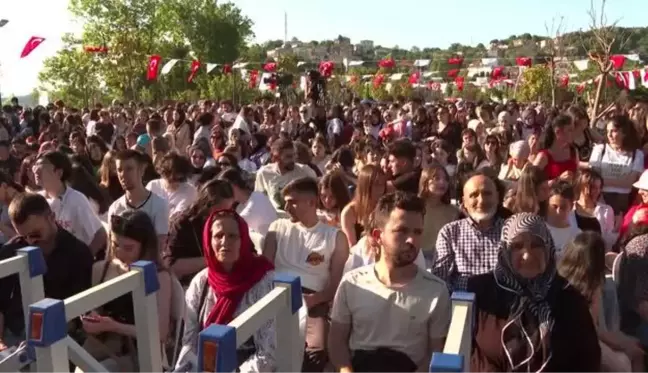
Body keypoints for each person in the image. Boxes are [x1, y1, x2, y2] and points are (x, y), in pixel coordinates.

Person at [329, 192, 450, 373]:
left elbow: (436, 352)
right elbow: (337, 342)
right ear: (378, 236)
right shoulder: (352, 284)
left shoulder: (436, 291)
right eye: (402, 231)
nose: (411, 240)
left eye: (417, 232)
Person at [468, 213, 601, 373]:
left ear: (548, 248)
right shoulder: (481, 292)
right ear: (504, 251)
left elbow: (588, 360)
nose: (527, 254)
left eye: (536, 245)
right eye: (517, 246)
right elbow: (470, 354)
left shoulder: (569, 298)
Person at [263, 177, 349, 373]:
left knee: (315, 350)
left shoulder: (335, 237)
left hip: (313, 301)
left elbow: (334, 285)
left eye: (292, 201)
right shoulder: (277, 229)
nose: (286, 207)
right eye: (285, 201)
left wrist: (311, 300)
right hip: (275, 294)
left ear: (311, 202)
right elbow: (264, 271)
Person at [177, 209, 276, 372]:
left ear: (243, 240)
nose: (224, 242)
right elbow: (190, 342)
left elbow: (269, 353)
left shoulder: (263, 281)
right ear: (209, 241)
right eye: (218, 236)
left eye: (232, 236)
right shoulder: (201, 282)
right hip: (206, 364)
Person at [80, 211, 172, 373]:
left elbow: (160, 333)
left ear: (144, 246)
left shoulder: (160, 276)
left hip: (138, 353)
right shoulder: (101, 269)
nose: (119, 252)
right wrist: (92, 319)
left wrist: (114, 326)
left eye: (128, 248)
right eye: (115, 245)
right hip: (103, 346)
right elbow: (95, 308)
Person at [0, 193, 93, 349]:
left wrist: (37, 340)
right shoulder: (10, 251)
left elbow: (78, 315)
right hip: (11, 335)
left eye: (36, 233)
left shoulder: (78, 253)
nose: (30, 241)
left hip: (57, 339)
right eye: (24, 236)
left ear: (52, 217)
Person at [433, 172, 504, 291]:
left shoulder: (512, 231)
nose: (481, 200)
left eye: (487, 193)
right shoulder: (450, 233)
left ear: (497, 198)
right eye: (474, 195)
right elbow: (439, 278)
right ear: (464, 202)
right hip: (462, 302)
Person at [34, 151, 106, 255]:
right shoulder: (37, 200)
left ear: (58, 173)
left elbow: (100, 234)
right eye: (35, 165)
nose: (36, 170)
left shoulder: (76, 200)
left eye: (41, 166)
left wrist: (84, 259)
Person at [165, 179, 235, 286]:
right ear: (207, 206)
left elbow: (250, 251)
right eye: (220, 211)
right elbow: (171, 265)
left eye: (229, 210)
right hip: (191, 285)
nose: (225, 215)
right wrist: (212, 260)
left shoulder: (232, 220)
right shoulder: (183, 224)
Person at [108, 150, 170, 252]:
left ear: (141, 170)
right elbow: (112, 248)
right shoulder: (115, 208)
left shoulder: (159, 205)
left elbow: (159, 248)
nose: (123, 174)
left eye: (129, 169)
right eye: (119, 170)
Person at [255, 138, 317, 210]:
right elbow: (259, 201)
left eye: (294, 155)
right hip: (276, 218)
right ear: (276, 158)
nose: (293, 159)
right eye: (288, 157)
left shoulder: (305, 171)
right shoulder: (264, 173)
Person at [217, 167, 276, 236]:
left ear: (234, 185)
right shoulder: (256, 195)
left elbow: (230, 228)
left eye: (224, 189)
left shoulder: (253, 204)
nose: (224, 193)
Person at [146, 152, 198, 218]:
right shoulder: (152, 186)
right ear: (163, 174)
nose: (177, 182)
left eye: (181, 179)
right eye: (173, 179)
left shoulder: (190, 191)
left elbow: (177, 219)